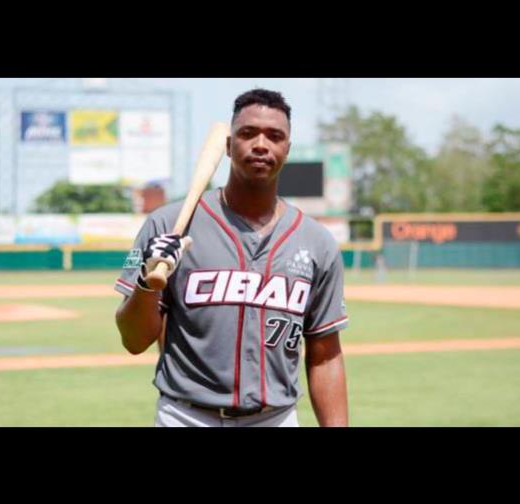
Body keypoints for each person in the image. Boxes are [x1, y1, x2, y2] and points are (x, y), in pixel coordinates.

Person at [114, 88, 349, 427]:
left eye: (275, 136)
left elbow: (326, 357)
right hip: (186, 416)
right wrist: (146, 284)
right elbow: (133, 341)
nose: (261, 144)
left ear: (287, 150)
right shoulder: (167, 225)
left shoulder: (318, 242)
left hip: (276, 418)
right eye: (247, 133)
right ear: (227, 146)